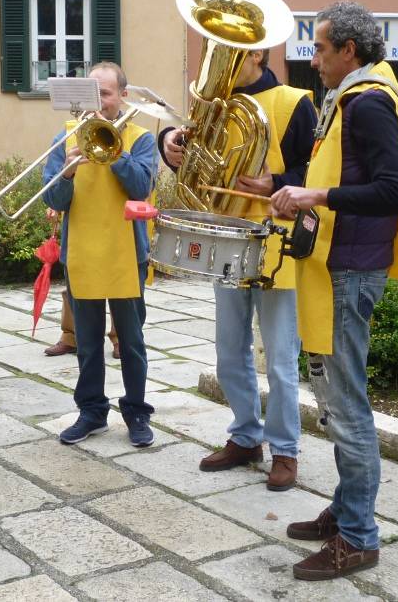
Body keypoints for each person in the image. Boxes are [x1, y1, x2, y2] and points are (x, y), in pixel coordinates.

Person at [270, 2, 398, 580]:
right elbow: (345, 180)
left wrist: (315, 198)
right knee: (336, 399)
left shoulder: (367, 106)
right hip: (339, 264)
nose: (311, 59)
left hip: (350, 269)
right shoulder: (351, 100)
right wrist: (292, 189)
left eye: (318, 48)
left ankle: (360, 537)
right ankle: (345, 512)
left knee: (346, 406)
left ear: (349, 51)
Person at [160, 48, 317, 491]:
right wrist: (168, 142)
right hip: (225, 237)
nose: (222, 60)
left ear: (257, 53)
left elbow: (320, 167)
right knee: (229, 350)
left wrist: (280, 183)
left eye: (233, 51)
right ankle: (246, 435)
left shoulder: (294, 101)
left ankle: (285, 449)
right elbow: (189, 147)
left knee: (282, 360)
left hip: (276, 244)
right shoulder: (215, 102)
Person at [42, 62, 158, 447]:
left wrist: (113, 152)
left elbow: (141, 187)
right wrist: (70, 170)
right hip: (83, 253)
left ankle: (137, 413)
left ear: (122, 96)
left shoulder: (140, 137)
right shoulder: (65, 138)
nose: (98, 102)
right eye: (92, 95)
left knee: (131, 341)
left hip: (127, 252)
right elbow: (53, 199)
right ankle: (91, 412)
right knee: (88, 343)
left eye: (105, 94)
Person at [44, 209, 121, 359]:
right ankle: (71, 336)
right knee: (75, 278)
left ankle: (121, 339)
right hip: (79, 220)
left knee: (117, 283)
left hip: (117, 217)